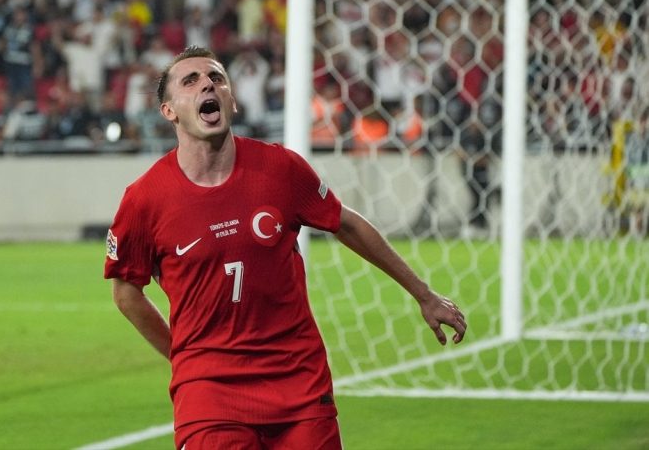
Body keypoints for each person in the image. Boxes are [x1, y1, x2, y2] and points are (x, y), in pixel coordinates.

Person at [103, 46, 467, 450]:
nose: (207, 83)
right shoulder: (145, 199)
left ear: (231, 100)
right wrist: (182, 356)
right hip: (210, 392)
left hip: (298, 383)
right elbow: (125, 291)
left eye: (217, 78)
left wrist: (424, 294)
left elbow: (345, 223)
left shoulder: (279, 169)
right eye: (191, 81)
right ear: (169, 110)